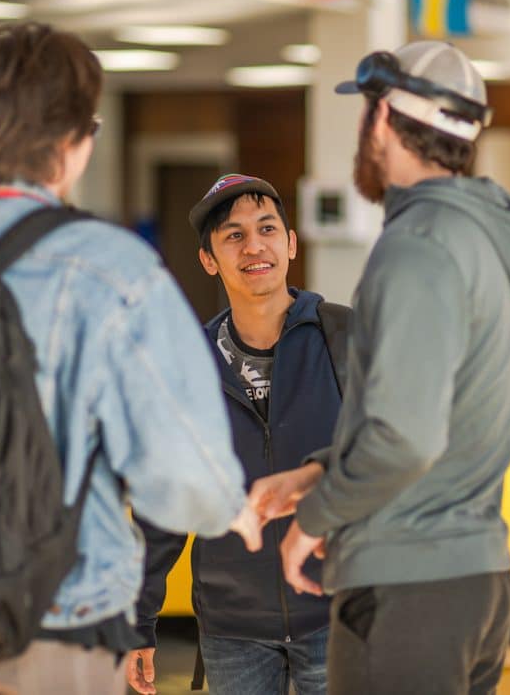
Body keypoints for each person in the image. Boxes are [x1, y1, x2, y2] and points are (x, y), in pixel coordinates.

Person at [0, 22, 260, 695]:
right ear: (73, 143)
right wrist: (228, 507)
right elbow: (180, 475)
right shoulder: (110, 271)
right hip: (56, 621)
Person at [250, 41, 510, 695]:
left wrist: (316, 518)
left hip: (406, 591)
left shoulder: (416, 248)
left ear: (383, 118)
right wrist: (319, 473)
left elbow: (406, 438)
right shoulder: (485, 241)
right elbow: (445, 415)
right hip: (475, 582)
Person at [127, 174, 347, 695]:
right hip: (233, 631)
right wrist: (136, 620)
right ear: (210, 259)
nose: (254, 246)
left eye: (267, 229)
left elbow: (386, 457)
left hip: (338, 614)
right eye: (233, 236)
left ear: (290, 244)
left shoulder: (347, 337)